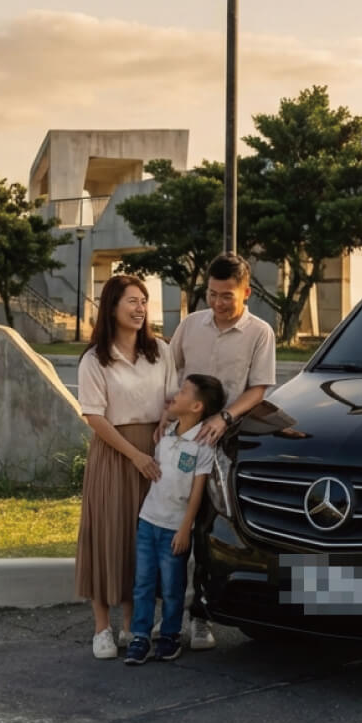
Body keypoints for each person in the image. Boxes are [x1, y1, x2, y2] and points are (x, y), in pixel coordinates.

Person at [159, 252, 277, 650]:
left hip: (223, 442)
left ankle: (201, 617)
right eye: (211, 293)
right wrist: (166, 413)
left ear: (246, 291)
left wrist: (223, 418)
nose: (218, 302)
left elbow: (258, 388)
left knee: (208, 530)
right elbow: (170, 371)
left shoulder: (260, 332)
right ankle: (168, 615)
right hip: (179, 442)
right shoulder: (191, 325)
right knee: (174, 528)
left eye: (227, 295)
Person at [75, 274, 176, 660]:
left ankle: (134, 623)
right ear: (112, 307)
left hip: (156, 452)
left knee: (143, 539)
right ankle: (102, 627)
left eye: (143, 301)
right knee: (107, 535)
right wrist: (133, 455)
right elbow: (94, 417)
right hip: (114, 454)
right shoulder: (94, 359)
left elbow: (173, 397)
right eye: (131, 301)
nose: (139, 309)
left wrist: (166, 422)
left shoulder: (160, 351)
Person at [124, 373, 227, 665]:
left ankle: (170, 635)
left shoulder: (203, 446)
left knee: (172, 586)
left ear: (196, 407)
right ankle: (140, 637)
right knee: (143, 582)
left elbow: (197, 492)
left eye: (182, 392)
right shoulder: (166, 433)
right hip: (148, 521)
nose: (175, 396)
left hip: (174, 528)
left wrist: (185, 529)